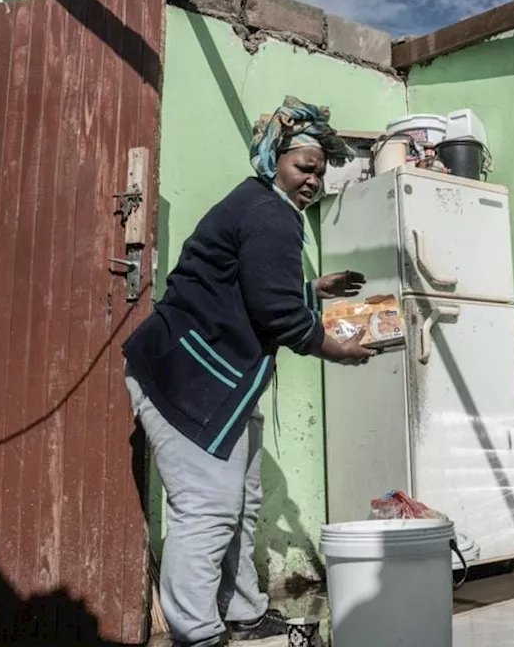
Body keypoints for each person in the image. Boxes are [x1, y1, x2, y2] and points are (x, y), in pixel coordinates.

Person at [122, 96, 375, 647]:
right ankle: (197, 633)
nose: (311, 180)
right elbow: (276, 314)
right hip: (185, 379)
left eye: (318, 172)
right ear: (272, 159)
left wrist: (313, 289)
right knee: (208, 509)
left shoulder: (261, 208)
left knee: (241, 503)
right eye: (302, 167)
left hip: (216, 382)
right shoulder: (269, 214)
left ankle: (242, 611)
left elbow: (241, 287)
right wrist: (337, 349)